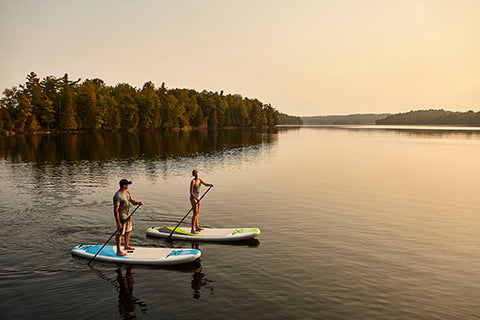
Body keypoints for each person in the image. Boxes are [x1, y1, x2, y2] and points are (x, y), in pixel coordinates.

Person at [113, 179, 143, 256]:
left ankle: (126, 246)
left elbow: (132, 201)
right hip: (122, 216)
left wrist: (138, 203)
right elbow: (116, 210)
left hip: (128, 215)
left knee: (128, 231)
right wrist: (118, 222)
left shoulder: (127, 193)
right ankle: (119, 250)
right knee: (119, 233)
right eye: (127, 184)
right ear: (123, 185)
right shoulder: (118, 196)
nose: (128, 185)